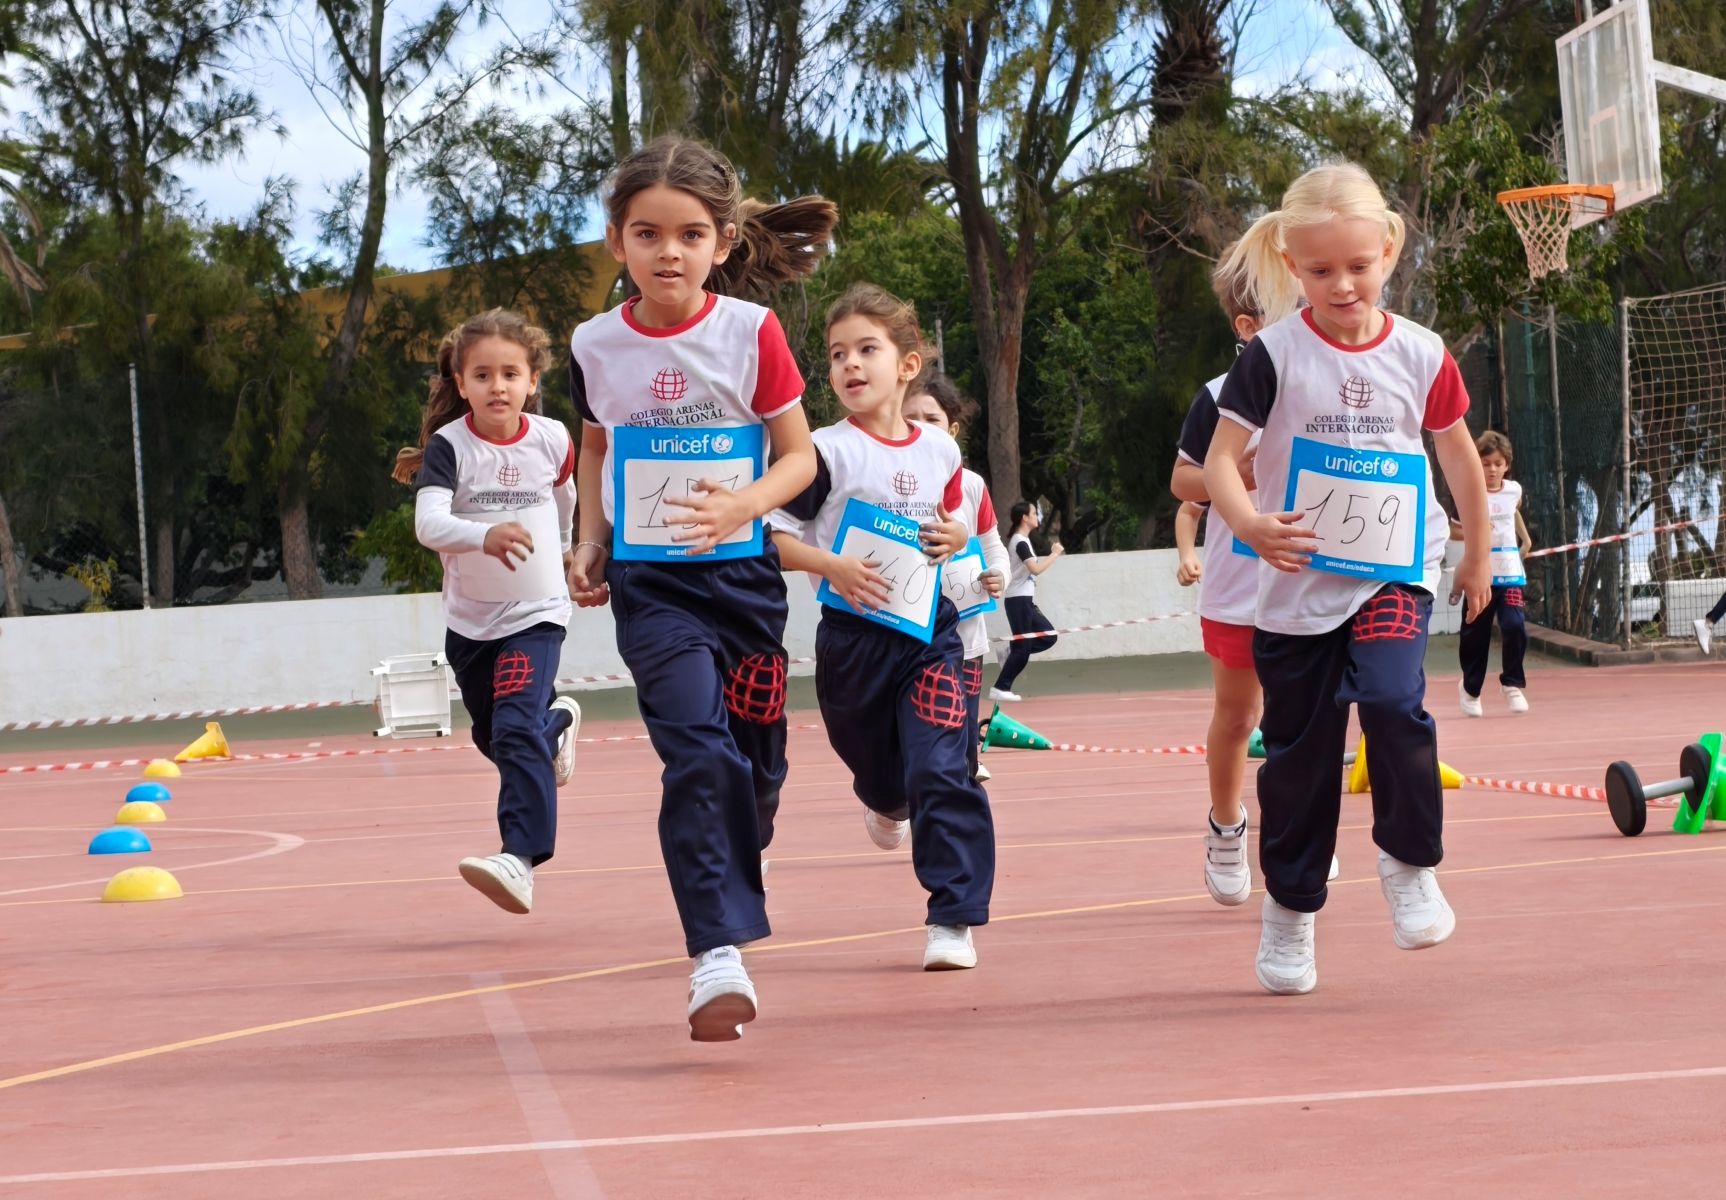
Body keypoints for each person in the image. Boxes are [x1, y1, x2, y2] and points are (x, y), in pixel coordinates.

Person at [564, 134, 837, 1041]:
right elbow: (597, 444)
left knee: (752, 774)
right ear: (617, 242)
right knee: (697, 754)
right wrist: (591, 539)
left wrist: (744, 507)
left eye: (689, 235)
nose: (667, 252)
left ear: (722, 243)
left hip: (746, 584)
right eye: (647, 234)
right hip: (655, 592)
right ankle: (716, 953)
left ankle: (736, 841)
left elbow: (799, 457)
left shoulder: (750, 332)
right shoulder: (594, 344)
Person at [1202, 162, 1491, 996]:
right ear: (1293, 264)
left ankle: (1408, 864)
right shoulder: (1273, 355)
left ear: (1390, 250)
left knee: (1397, 703)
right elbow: (1224, 462)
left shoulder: (1422, 353)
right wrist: (1252, 522)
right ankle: (1291, 914)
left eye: (1359, 267)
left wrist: (1472, 550)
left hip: (1393, 574)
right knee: (1298, 758)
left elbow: (1456, 453)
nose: (1342, 284)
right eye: (1322, 270)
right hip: (1297, 589)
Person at [770, 282, 996, 971]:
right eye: (838, 354)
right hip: (851, 644)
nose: (850, 365)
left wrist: (954, 534)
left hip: (930, 634)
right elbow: (768, 539)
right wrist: (831, 565)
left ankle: (952, 917)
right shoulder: (822, 452)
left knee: (945, 768)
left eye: (867, 348)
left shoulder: (938, 450)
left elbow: (957, 519)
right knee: (882, 774)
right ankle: (882, 799)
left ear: (907, 363)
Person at [392, 309, 582, 917]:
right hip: (471, 622)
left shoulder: (553, 439)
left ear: (532, 380)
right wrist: (484, 535)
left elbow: (565, 502)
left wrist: (572, 557)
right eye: (482, 375)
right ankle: (555, 728)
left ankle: (519, 858)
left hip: (538, 611)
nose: (497, 386)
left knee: (512, 726)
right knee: (493, 733)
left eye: (510, 373)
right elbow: (428, 524)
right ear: (460, 379)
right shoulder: (450, 447)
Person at [1168, 239, 1287, 905]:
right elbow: (1184, 480)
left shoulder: (1330, 392)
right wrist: (1230, 475)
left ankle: (1298, 833)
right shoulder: (1218, 398)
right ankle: (1226, 824)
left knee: (1307, 717)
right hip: (1239, 588)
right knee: (1240, 717)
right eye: (1288, 307)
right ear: (1248, 328)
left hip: (1311, 581)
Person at [902, 370, 1009, 785]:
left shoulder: (972, 487)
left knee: (962, 732)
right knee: (914, 730)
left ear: (953, 429)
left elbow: (993, 545)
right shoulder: (887, 479)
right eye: (910, 418)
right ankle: (896, 800)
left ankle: (961, 785)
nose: (921, 428)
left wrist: (995, 573)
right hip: (906, 634)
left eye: (932, 419)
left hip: (965, 633)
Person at [1453, 430, 1532, 715]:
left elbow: (1513, 512)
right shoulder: (1469, 491)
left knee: (1514, 625)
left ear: (1507, 465)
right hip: (1480, 572)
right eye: (1486, 463)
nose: (1492, 469)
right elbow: (1452, 528)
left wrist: (1526, 539)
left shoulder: (1514, 490)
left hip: (1510, 573)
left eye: (1498, 463)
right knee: (1476, 634)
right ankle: (1470, 688)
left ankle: (1512, 683)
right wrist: (1474, 533)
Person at [990, 502, 1063, 702]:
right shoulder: (1020, 542)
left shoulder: (1023, 540)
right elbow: (1035, 569)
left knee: (1049, 636)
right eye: (1033, 513)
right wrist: (1055, 554)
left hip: (1024, 601)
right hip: (1018, 601)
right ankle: (1000, 688)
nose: (1037, 516)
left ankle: (1011, 651)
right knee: (1024, 647)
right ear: (1024, 517)